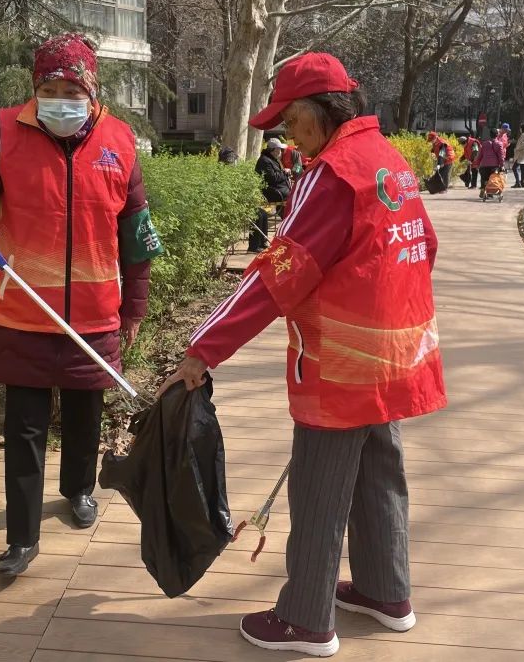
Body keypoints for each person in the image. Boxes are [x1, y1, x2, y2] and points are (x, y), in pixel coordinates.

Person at [160, 52, 446, 657]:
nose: (289, 134)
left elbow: (276, 275)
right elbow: (427, 244)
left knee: (319, 486)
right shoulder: (389, 161)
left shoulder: (331, 174)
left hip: (338, 362)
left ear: (320, 111)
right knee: (378, 472)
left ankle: (305, 619)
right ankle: (386, 592)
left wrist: (203, 349)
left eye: (291, 120)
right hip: (395, 354)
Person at [0, 33, 164, 579]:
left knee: (86, 414)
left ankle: (78, 490)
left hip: (94, 312)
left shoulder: (119, 141)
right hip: (23, 310)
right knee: (24, 427)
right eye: (49, 89)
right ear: (34, 89)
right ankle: (21, 537)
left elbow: (137, 237)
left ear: (92, 91)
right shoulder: (6, 132)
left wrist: (134, 309)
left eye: (72, 90)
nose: (60, 99)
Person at [250, 138, 291, 253]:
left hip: (279, 190)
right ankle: (288, 230)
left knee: (292, 201)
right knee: (291, 201)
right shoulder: (265, 161)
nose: (281, 152)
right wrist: (284, 173)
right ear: (273, 150)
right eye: (279, 149)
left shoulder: (272, 159)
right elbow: (272, 178)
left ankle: (288, 230)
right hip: (273, 193)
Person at [477, 127, 505, 194]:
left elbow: (480, 155)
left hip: (484, 165)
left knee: (484, 178)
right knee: (493, 179)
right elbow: (501, 156)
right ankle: (491, 191)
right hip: (494, 166)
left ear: (490, 135)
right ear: (497, 135)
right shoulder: (499, 144)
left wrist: (477, 163)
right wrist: (502, 165)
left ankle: (483, 189)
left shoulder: (484, 144)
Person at [511, 123, 524, 188]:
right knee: (523, 168)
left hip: (521, 153)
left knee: (514, 168)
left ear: (522, 128)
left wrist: (517, 148)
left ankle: (518, 183)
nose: (520, 129)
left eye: (520, 128)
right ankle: (522, 182)